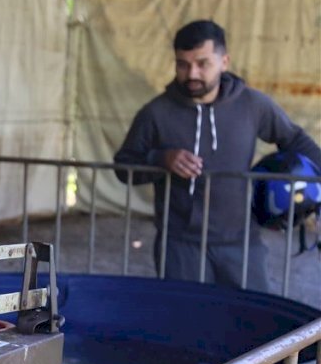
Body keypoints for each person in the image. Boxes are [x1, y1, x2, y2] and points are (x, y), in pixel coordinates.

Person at [114, 19, 321, 291]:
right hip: (179, 245)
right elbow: (123, 166)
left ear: (224, 61)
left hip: (241, 241)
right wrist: (160, 159)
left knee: (253, 324)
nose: (192, 74)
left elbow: (294, 138)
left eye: (203, 63)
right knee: (184, 324)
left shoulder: (252, 104)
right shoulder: (156, 112)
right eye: (183, 64)